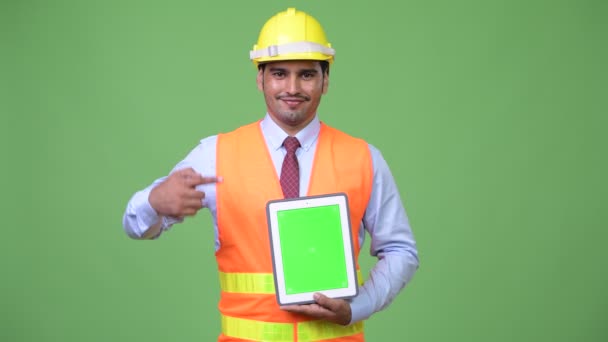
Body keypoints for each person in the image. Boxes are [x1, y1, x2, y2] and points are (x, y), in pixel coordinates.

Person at [123, 7, 418, 342]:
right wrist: (154, 201)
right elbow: (134, 224)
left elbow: (401, 251)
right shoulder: (215, 154)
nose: (292, 87)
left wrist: (358, 306)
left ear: (326, 80)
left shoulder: (364, 158)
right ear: (260, 78)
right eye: (279, 73)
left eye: (306, 74)